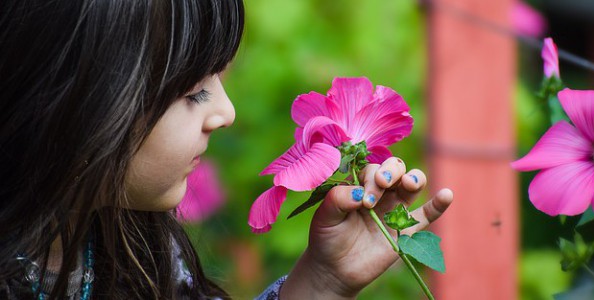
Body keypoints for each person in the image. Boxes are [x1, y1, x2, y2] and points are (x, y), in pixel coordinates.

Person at [0, 0, 454, 299]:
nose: (226, 111)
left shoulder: (139, 250)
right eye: (193, 90)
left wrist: (322, 281)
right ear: (74, 99)